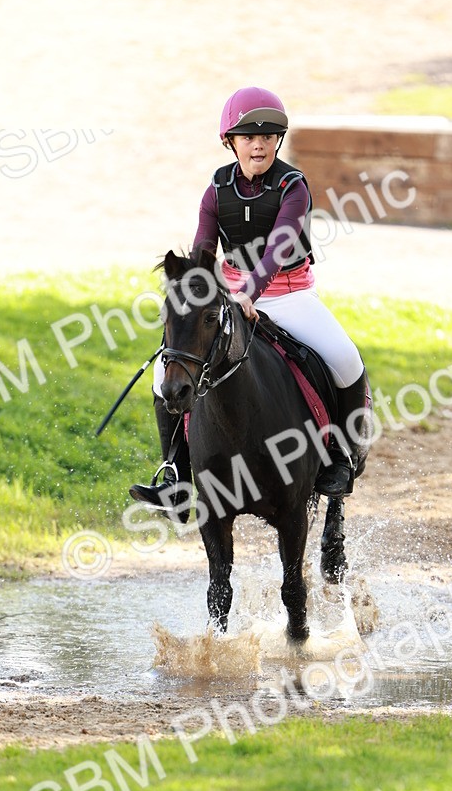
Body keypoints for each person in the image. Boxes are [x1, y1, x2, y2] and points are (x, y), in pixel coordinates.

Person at [129, 85, 368, 518]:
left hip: (290, 295)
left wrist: (250, 293)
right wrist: (199, 289)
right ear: (230, 141)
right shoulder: (215, 190)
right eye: (247, 136)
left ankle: (340, 459)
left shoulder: (294, 187)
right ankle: (176, 475)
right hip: (233, 296)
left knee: (346, 360)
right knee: (164, 372)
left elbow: (279, 246)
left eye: (268, 136)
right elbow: (204, 253)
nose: (259, 144)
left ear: (278, 141)